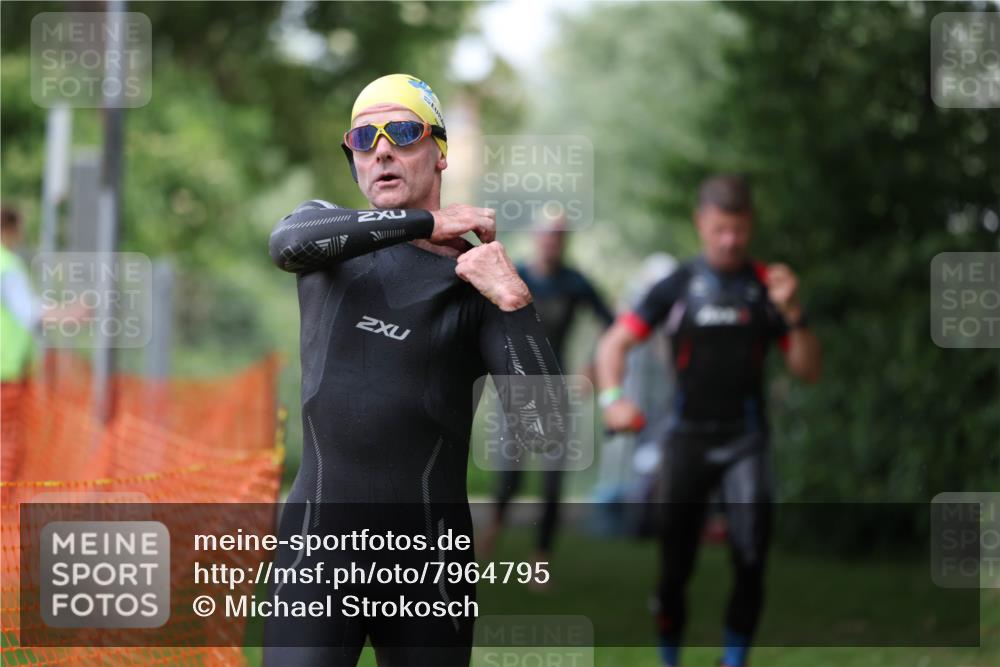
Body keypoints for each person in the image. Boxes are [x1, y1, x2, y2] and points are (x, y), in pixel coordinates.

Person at [264, 74, 566, 667]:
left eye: (401, 132)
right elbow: (285, 244)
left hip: (430, 565)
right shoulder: (325, 237)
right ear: (353, 158)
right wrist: (428, 224)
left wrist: (514, 303)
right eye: (363, 138)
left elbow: (547, 430)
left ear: (440, 152)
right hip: (319, 552)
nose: (381, 150)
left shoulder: (477, 281)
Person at [595, 175, 821, 667]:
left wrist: (794, 313)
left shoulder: (768, 288)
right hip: (686, 440)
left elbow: (808, 370)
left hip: (745, 441)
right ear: (701, 223)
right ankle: (669, 660)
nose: (730, 240)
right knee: (675, 568)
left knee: (751, 557)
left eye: (739, 230)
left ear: (751, 225)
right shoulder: (676, 286)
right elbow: (614, 343)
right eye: (720, 229)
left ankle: (733, 661)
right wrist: (612, 399)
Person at [480, 215, 614, 569]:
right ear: (535, 237)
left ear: (564, 242)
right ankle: (491, 533)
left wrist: (592, 367)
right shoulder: (517, 275)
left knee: (552, 480)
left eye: (558, 236)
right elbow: (488, 323)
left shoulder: (574, 282)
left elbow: (612, 324)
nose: (551, 242)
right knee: (509, 473)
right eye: (546, 235)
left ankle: (541, 558)